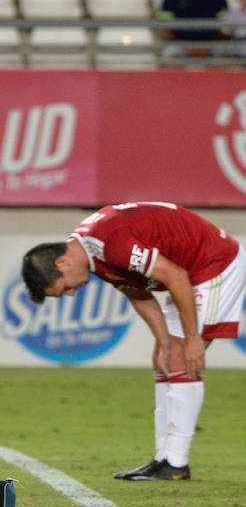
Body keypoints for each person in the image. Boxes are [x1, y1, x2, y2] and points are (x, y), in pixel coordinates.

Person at [21, 202, 246, 481]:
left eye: (64, 287)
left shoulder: (110, 244)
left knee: (181, 357)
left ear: (62, 263)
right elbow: (138, 294)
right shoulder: (92, 254)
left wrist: (193, 339)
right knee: (163, 358)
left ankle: (176, 462)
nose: (70, 293)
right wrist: (163, 342)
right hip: (192, 271)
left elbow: (175, 275)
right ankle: (163, 457)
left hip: (215, 264)